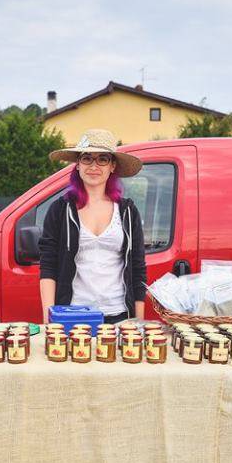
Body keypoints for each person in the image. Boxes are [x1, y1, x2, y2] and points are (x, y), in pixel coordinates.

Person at [39, 129, 147, 324]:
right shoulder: (60, 210)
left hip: (119, 315)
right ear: (78, 165)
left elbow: (138, 270)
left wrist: (138, 323)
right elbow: (48, 267)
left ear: (112, 166)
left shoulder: (127, 212)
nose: (93, 166)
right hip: (72, 315)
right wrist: (49, 320)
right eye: (87, 158)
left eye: (102, 159)